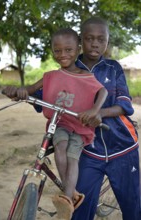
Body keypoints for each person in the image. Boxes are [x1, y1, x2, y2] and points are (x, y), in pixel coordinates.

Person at [2, 27, 108, 219]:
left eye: (68, 50)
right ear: (52, 51)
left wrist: (94, 110)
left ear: (77, 49)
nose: (62, 54)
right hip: (59, 123)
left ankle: (67, 197)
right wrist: (18, 91)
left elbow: (103, 91)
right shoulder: (50, 76)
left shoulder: (86, 77)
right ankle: (72, 194)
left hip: (80, 126)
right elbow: (29, 89)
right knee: (60, 147)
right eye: (57, 50)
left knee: (72, 156)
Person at [71, 17, 140, 220]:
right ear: (80, 40)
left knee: (133, 206)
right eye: (90, 38)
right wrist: (26, 93)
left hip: (123, 146)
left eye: (101, 39)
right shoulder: (69, 70)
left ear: (107, 42)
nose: (95, 43)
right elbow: (50, 94)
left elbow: (125, 105)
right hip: (88, 151)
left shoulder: (114, 68)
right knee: (81, 209)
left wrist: (99, 113)